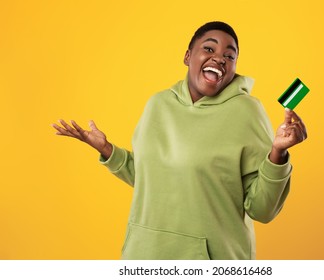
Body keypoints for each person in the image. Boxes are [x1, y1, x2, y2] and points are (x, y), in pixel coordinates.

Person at [52, 21, 307, 260]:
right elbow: (152, 180)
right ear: (187, 57)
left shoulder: (246, 112)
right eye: (209, 48)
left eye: (229, 56)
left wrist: (278, 153)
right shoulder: (158, 104)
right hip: (144, 254)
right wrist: (107, 150)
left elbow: (261, 209)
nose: (219, 58)